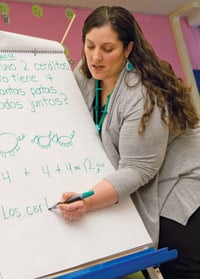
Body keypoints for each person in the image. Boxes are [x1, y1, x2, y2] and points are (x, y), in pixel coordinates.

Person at [58, 6, 200, 279]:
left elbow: (138, 169)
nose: (96, 57)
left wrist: (86, 201)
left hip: (179, 182)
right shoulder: (87, 74)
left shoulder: (142, 94)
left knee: (181, 261)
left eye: (107, 49)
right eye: (89, 46)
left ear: (128, 49)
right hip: (147, 178)